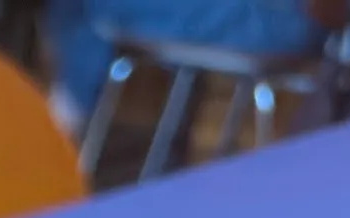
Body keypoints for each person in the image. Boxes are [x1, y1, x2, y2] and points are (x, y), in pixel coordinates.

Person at [45, 0, 328, 132]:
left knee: (94, 8)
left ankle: (56, 128)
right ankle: (58, 122)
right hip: (281, 17)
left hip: (279, 18)